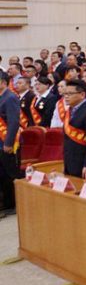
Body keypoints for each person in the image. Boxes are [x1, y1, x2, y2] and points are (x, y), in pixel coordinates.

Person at [62, 79, 86, 177]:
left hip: (81, 162)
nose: (66, 97)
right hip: (69, 160)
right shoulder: (69, 111)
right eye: (65, 94)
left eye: (70, 93)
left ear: (82, 94)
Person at [0, 71, 20, 216]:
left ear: (3, 82)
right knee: (2, 174)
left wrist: (8, 142)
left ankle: (14, 203)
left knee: (9, 172)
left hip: (6, 142)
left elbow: (13, 122)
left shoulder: (10, 97)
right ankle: (6, 203)